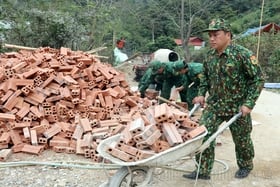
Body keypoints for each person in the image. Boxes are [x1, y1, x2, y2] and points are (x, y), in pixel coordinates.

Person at [183, 18, 265, 180]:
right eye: (210, 35)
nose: (212, 39)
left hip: (237, 107)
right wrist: (200, 94)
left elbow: (258, 79)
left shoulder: (243, 55)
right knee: (203, 134)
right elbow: (204, 77)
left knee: (242, 140)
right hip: (214, 106)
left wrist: (249, 104)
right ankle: (203, 170)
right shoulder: (210, 56)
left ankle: (245, 165)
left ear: (228, 35)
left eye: (216, 35)